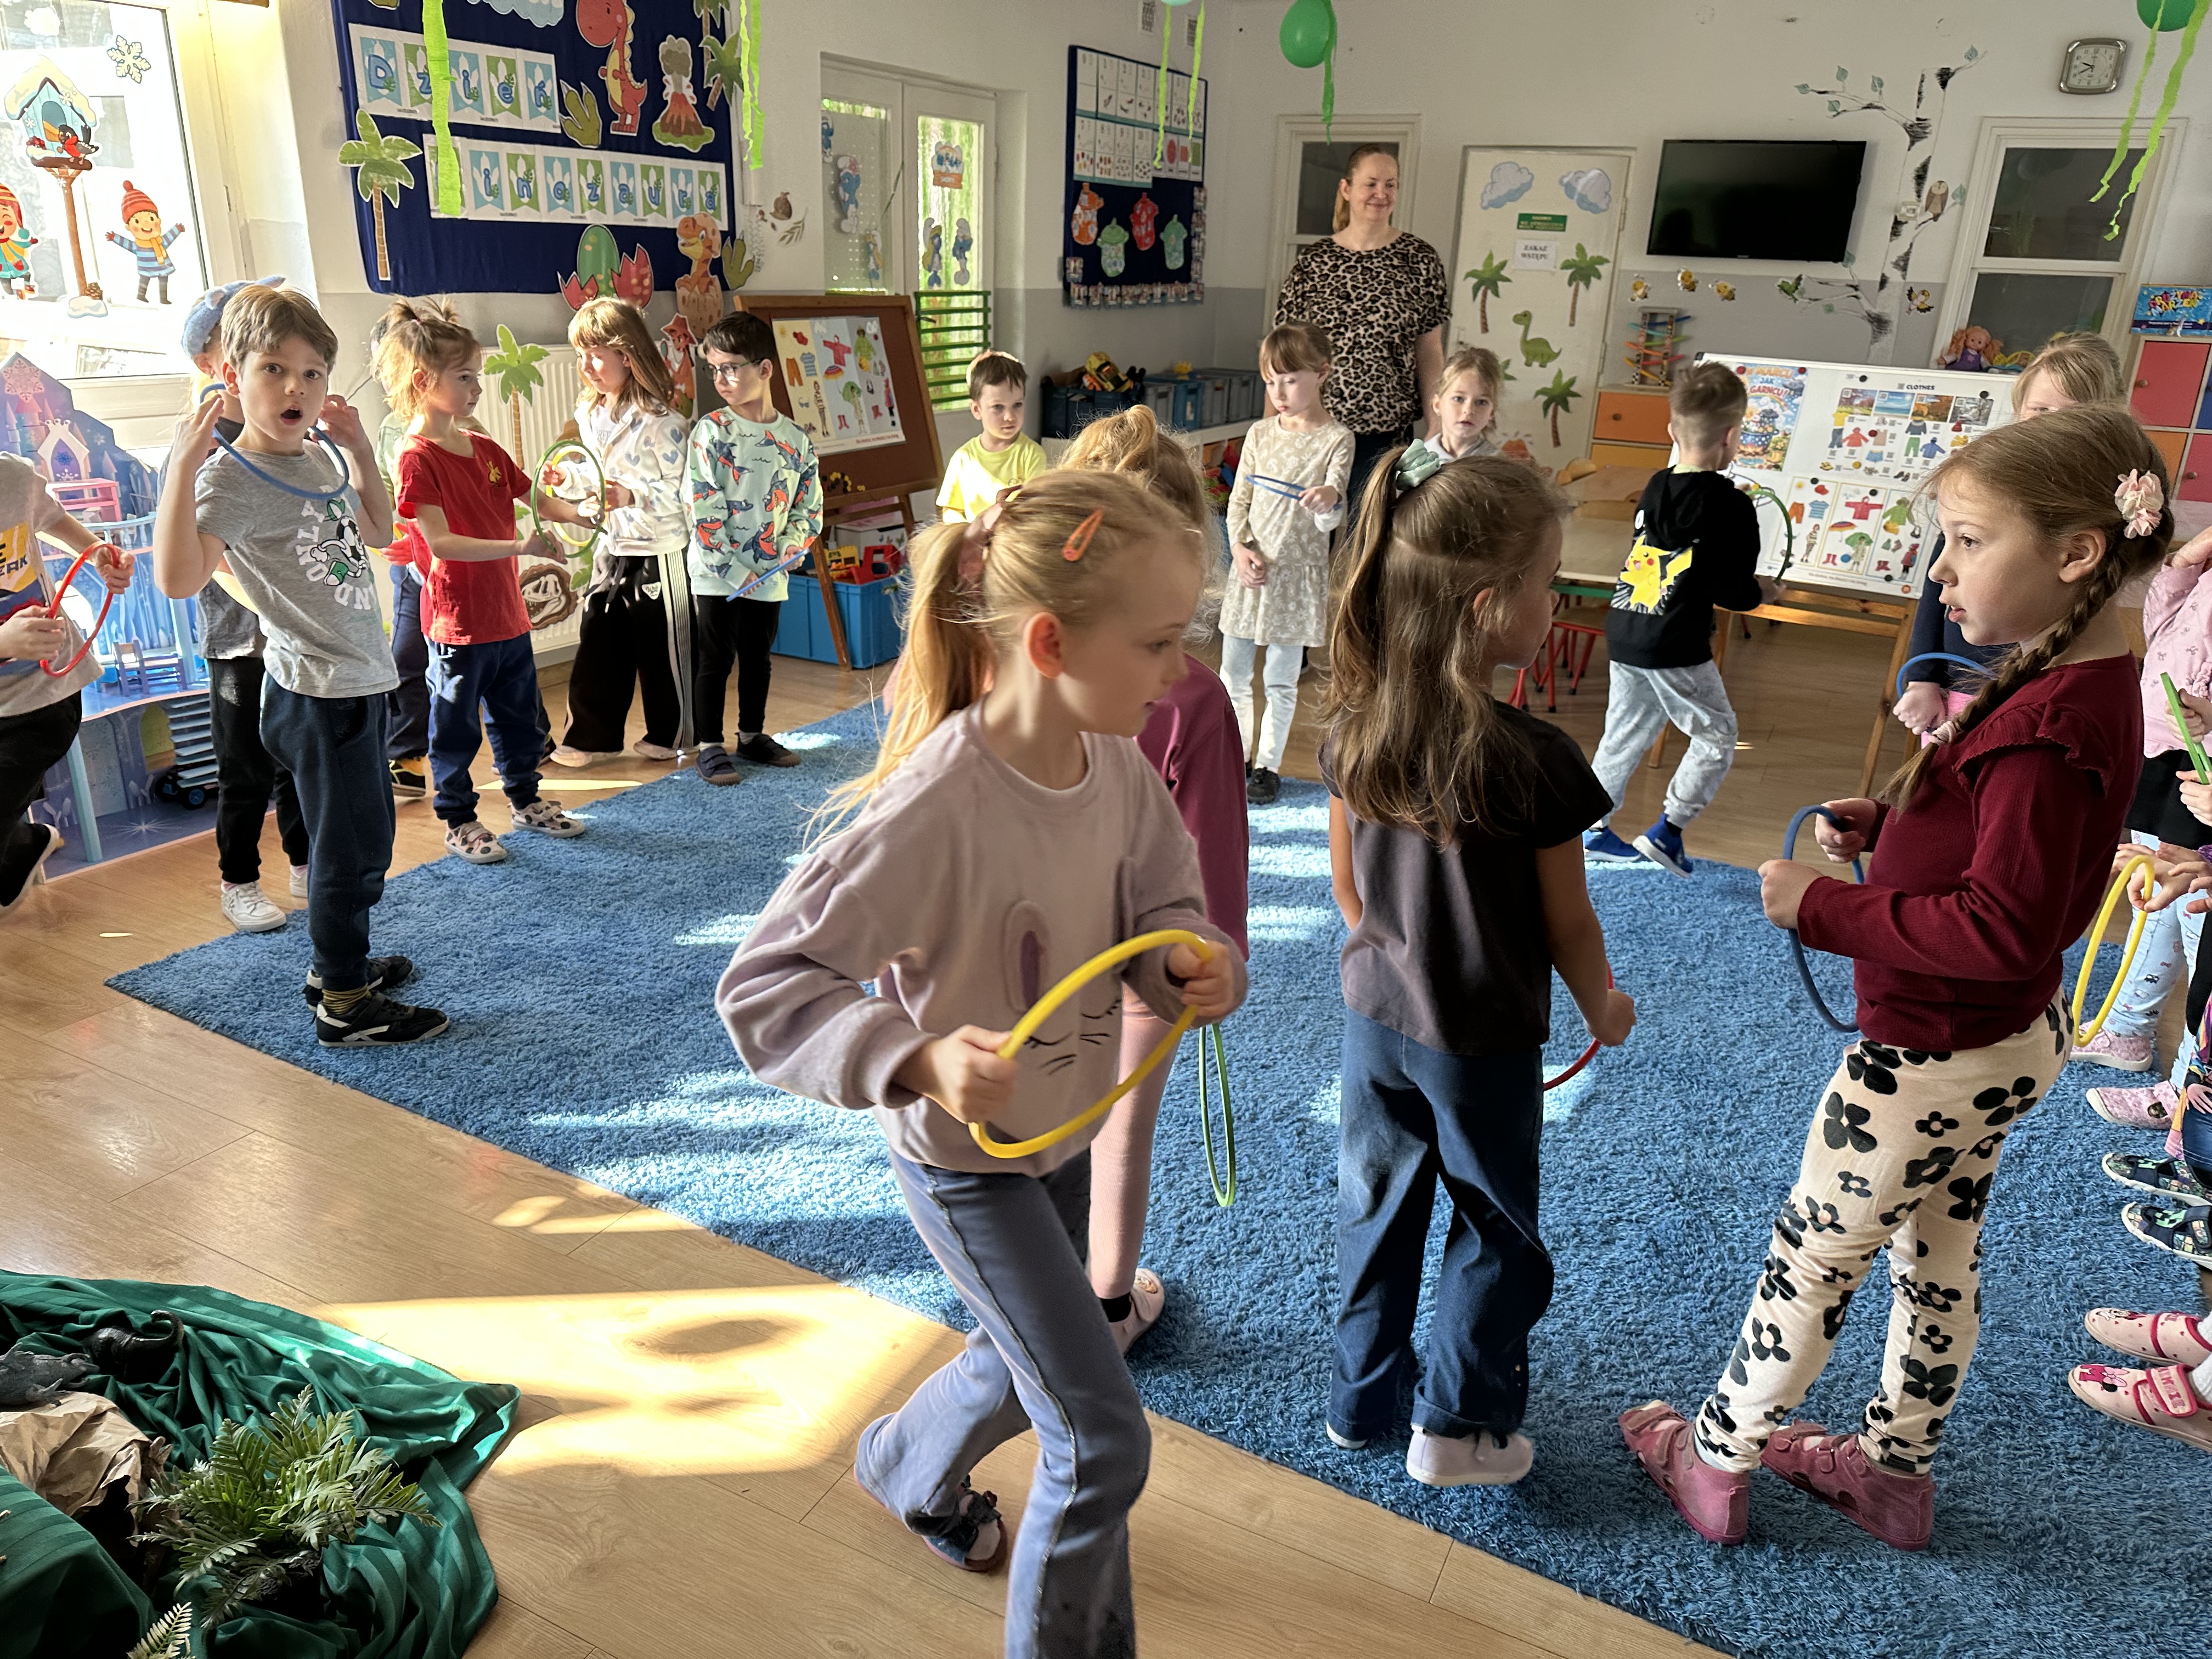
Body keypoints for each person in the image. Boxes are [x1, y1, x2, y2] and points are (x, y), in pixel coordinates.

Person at [1619, 404, 2172, 1550]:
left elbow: (1998, 926)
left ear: (2077, 552)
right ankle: (1891, 1472)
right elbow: (2006, 844)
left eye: (1967, 540)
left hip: (1929, 1051)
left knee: (1814, 1257)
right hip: (1998, 1043)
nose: (1940, 570)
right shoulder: (2079, 675)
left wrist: (1821, 907)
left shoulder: (2045, 726)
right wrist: (1899, 819)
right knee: (1935, 1258)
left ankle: (1714, 1460)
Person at [718, 470, 1246, 1654]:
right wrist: (912, 1058)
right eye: (1158, 643)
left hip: (1061, 1132)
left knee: (1025, 1365)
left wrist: (1189, 964)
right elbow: (764, 989)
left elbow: (1165, 906)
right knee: (1100, 1437)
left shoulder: (1115, 764)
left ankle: (903, 1462)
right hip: (967, 1166)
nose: (1178, 670)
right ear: (1050, 644)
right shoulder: (933, 811)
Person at [1321, 448, 1634, 1486]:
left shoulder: (1356, 726)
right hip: (1482, 1038)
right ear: (1491, 606)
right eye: (1548, 581)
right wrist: (1604, 1006)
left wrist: (1394, 959)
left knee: (1375, 1209)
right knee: (1496, 1226)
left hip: (1375, 1021)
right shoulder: (1538, 758)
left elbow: (1348, 892)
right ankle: (1455, 1428)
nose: (1559, 600)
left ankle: (1361, 1402)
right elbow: (1568, 923)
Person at [152, 284, 448, 1045]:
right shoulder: (230, 479)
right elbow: (179, 579)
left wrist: (358, 448)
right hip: (317, 694)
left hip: (358, 679)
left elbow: (379, 529)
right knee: (349, 855)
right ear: (230, 376)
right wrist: (180, 470)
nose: (296, 388)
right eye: (275, 370)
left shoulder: (318, 456)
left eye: (313, 373)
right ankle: (344, 1002)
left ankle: (336, 965)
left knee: (367, 842)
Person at [1060, 404, 1251, 1351]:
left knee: (1035, 1122)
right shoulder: (1197, 697)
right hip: (1141, 963)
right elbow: (1211, 860)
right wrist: (1215, 961)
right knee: (1121, 1127)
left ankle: (1034, 1293)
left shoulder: (1021, 662)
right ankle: (1106, 1307)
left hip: (1024, 955)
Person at [374, 297, 589, 864]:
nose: (476, 387)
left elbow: (533, 497)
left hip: (506, 615)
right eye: (464, 377)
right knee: (454, 729)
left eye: (476, 375)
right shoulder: (416, 458)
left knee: (519, 720)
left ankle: (525, 800)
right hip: (457, 624)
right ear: (424, 382)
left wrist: (578, 512)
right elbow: (442, 543)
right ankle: (459, 819)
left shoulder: (487, 449)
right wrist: (521, 546)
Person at [1583, 363, 1780, 876]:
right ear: (1731, 436)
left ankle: (1590, 829)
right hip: (1676, 642)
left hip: (1628, 629)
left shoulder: (1655, 486)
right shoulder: (1733, 506)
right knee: (1717, 734)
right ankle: (1668, 833)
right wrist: (1765, 591)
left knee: (1623, 733)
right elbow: (1736, 592)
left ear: (1672, 431)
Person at [1893, 334, 2125, 747]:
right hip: (1962, 681)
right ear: (2019, 411)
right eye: (2040, 410)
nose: (2051, 425)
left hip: (2036, 693)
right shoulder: (1984, 485)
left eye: (2073, 413)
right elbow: (1936, 588)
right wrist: (1922, 678)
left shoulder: (2104, 507)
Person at [179, 277, 311, 933]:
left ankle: (306, 863)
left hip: (295, 633)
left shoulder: (287, 433)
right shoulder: (205, 446)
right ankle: (240, 880)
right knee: (245, 768)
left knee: (296, 760)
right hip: (240, 636)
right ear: (214, 362)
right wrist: (272, 604)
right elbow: (213, 554)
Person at [2072, 520, 2212, 1085]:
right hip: (2161, 749)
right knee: (2153, 894)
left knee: (2197, 917)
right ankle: (2129, 1026)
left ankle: (2189, 1082)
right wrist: (2186, 562)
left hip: (2202, 770)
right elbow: (2161, 625)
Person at [551, 297, 692, 766]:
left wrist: (631, 496)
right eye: (580, 356)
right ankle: (590, 738)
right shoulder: (591, 414)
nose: (586, 367)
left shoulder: (664, 423)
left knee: (662, 648)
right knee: (599, 636)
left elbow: (682, 494)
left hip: (660, 551)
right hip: (613, 545)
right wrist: (567, 480)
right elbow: (596, 477)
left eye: (595, 356)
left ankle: (675, 734)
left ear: (627, 356)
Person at [686, 310, 823, 783]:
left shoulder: (796, 440)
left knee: (758, 658)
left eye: (731, 368)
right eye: (714, 369)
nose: (720, 380)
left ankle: (751, 736)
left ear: (765, 369)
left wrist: (792, 545)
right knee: (715, 660)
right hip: (717, 575)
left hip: (769, 573)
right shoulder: (711, 433)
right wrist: (731, 569)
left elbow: (808, 506)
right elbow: (703, 507)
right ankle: (709, 745)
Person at [1273, 145, 1449, 512]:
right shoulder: (1314, 262)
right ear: (1346, 189)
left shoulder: (1419, 259)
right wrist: (1270, 427)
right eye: (1371, 183)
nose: (1381, 193)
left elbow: (1430, 351)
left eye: (1391, 184)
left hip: (1385, 435)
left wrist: (1438, 423)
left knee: (1371, 531)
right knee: (1307, 533)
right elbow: (1283, 357)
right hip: (1313, 429)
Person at [1222, 321, 1352, 805]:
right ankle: (1235, 754)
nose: (1278, 393)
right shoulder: (1259, 434)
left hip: (1297, 579)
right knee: (1233, 675)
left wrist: (1328, 502)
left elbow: (1331, 519)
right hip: (1249, 574)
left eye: (1290, 380)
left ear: (1323, 374)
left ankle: (1267, 767)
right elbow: (1238, 503)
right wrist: (1240, 550)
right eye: (1270, 381)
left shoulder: (1337, 439)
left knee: (1280, 680)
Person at [0, 460, 135, 916]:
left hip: (42, 695)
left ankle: (20, 846)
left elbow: (51, 516)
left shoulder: (11, 478)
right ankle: (22, 845)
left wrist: (99, 555)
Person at [936, 351, 1046, 523]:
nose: (1010, 416)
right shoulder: (963, 458)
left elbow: (1036, 508)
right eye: (998, 407)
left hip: (1015, 537)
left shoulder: (1033, 455)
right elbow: (951, 509)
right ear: (976, 410)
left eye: (1017, 405)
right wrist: (968, 532)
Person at [1404, 345, 1505, 467]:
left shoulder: (1496, 466)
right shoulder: (1416, 461)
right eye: (1459, 399)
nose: (1468, 410)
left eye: (1481, 402)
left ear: (1492, 412)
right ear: (1437, 405)